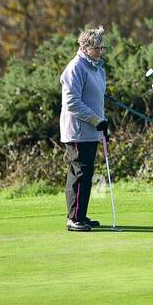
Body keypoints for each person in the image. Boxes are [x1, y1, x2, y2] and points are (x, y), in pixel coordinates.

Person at [60, 27, 109, 232]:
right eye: (96, 48)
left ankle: (80, 214)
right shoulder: (75, 67)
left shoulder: (96, 68)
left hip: (92, 130)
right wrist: (95, 120)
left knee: (86, 173)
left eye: (101, 47)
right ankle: (74, 219)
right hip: (78, 130)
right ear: (84, 47)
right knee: (80, 172)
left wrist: (102, 122)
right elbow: (72, 102)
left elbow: (96, 98)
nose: (100, 51)